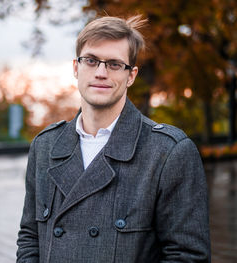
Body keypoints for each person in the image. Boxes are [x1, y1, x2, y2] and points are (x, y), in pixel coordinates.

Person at [17, 15, 210, 262]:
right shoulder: (45, 147)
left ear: (131, 75)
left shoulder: (168, 152)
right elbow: (30, 239)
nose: (100, 72)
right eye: (91, 60)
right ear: (76, 67)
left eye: (115, 64)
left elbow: (188, 256)